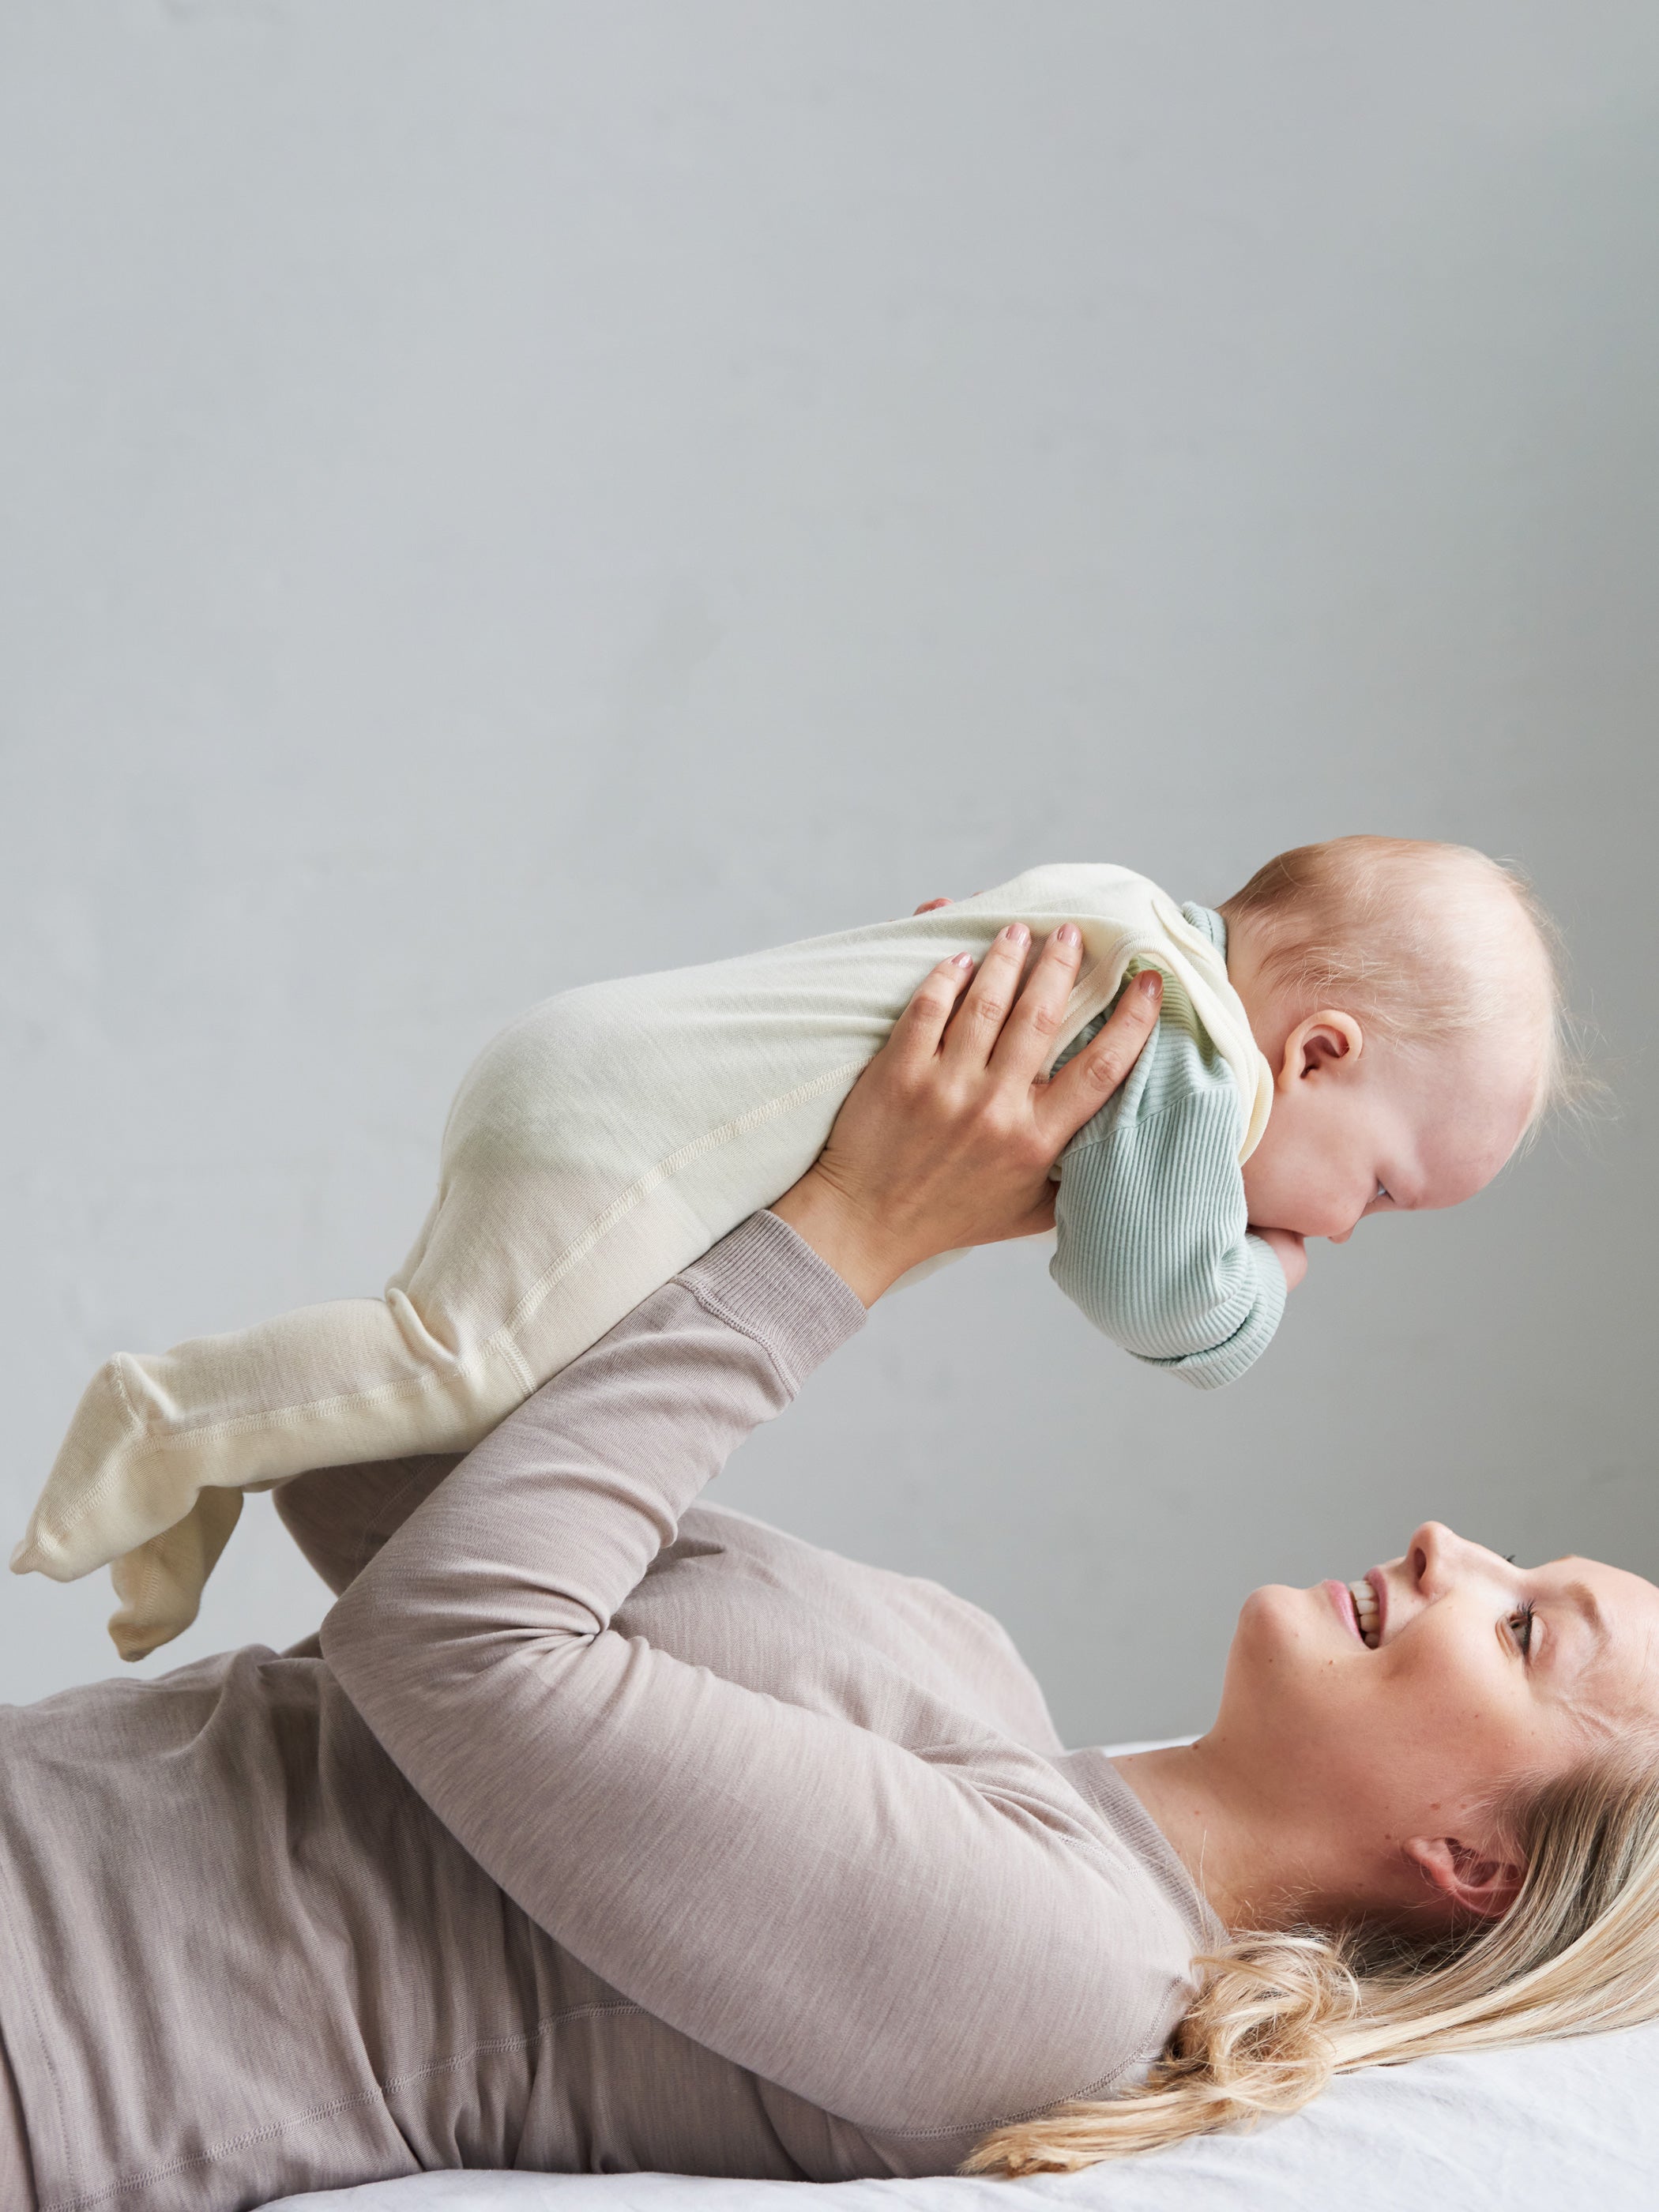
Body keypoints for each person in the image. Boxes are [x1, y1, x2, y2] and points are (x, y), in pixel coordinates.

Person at [0, 927, 1654, 2212]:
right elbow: (376, 1492)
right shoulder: (963, 1665)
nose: (1453, 1544)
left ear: (1473, 1861)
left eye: (1521, 1627)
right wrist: (866, 1104)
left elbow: (456, 1635)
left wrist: (863, 1227)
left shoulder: (1063, 1978)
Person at [17, 836, 1570, 1661]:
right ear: (1314, 1053)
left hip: (600, 1071)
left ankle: (199, 1484)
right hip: (637, 1133)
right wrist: (1262, 1294)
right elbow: (1147, 1285)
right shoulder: (1192, 1056)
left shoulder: (1121, 910)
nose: (1344, 1227)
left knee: (472, 1421)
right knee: (455, 1355)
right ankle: (162, 1414)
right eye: (1380, 1187)